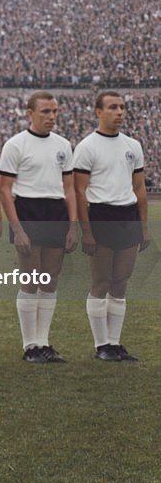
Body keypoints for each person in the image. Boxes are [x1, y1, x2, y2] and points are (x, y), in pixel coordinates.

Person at [0, 91, 78, 363]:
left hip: (55, 212)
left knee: (50, 280)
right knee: (31, 279)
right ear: (30, 113)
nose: (51, 117)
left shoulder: (63, 145)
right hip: (28, 211)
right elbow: (5, 190)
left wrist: (72, 226)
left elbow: (69, 189)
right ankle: (29, 345)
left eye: (55, 111)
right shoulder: (15, 145)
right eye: (45, 112)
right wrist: (18, 228)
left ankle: (44, 341)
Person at [73, 91, 151, 361]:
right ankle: (101, 344)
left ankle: (115, 343)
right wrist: (86, 231)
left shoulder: (133, 145)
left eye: (122, 107)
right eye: (112, 107)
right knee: (101, 281)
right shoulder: (86, 147)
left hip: (127, 216)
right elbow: (80, 192)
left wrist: (144, 225)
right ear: (98, 112)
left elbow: (139, 187)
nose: (119, 112)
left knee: (121, 282)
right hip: (101, 215)